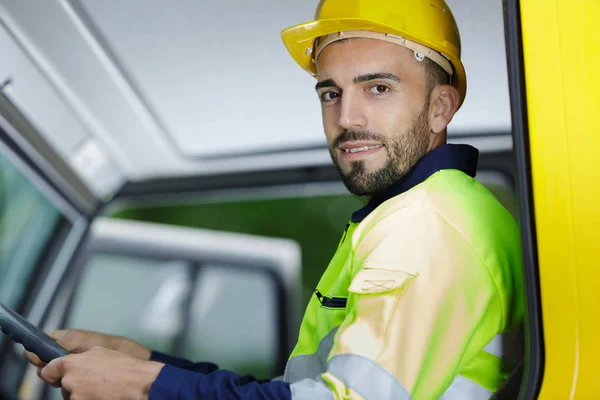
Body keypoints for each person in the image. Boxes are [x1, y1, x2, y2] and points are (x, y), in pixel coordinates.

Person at [27, 0, 525, 398]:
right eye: (331, 93)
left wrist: (142, 385)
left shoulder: (426, 227)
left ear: (440, 107)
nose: (347, 117)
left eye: (377, 88)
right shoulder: (424, 212)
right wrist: (139, 362)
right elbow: (297, 393)